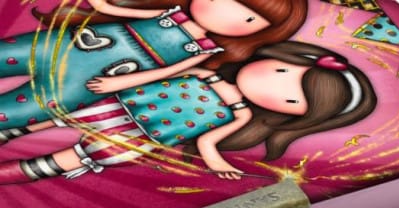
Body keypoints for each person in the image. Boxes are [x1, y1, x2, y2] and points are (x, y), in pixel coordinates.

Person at [0, 42, 377, 184]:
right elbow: (164, 73)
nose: (273, 87)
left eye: (291, 100)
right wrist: (119, 83)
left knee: (79, 155)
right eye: (281, 72)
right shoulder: (205, 72)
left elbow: (209, 141)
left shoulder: (241, 115)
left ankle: (18, 172)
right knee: (64, 116)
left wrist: (218, 165)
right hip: (125, 102)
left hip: (142, 136)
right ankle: (12, 131)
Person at [0, 0, 307, 131]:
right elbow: (115, 10)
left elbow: (166, 73)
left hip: (97, 79)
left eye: (248, 18)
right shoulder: (170, 12)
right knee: (10, 52)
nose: (225, 12)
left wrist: (118, 83)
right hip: (70, 43)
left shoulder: (204, 51)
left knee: (23, 110)